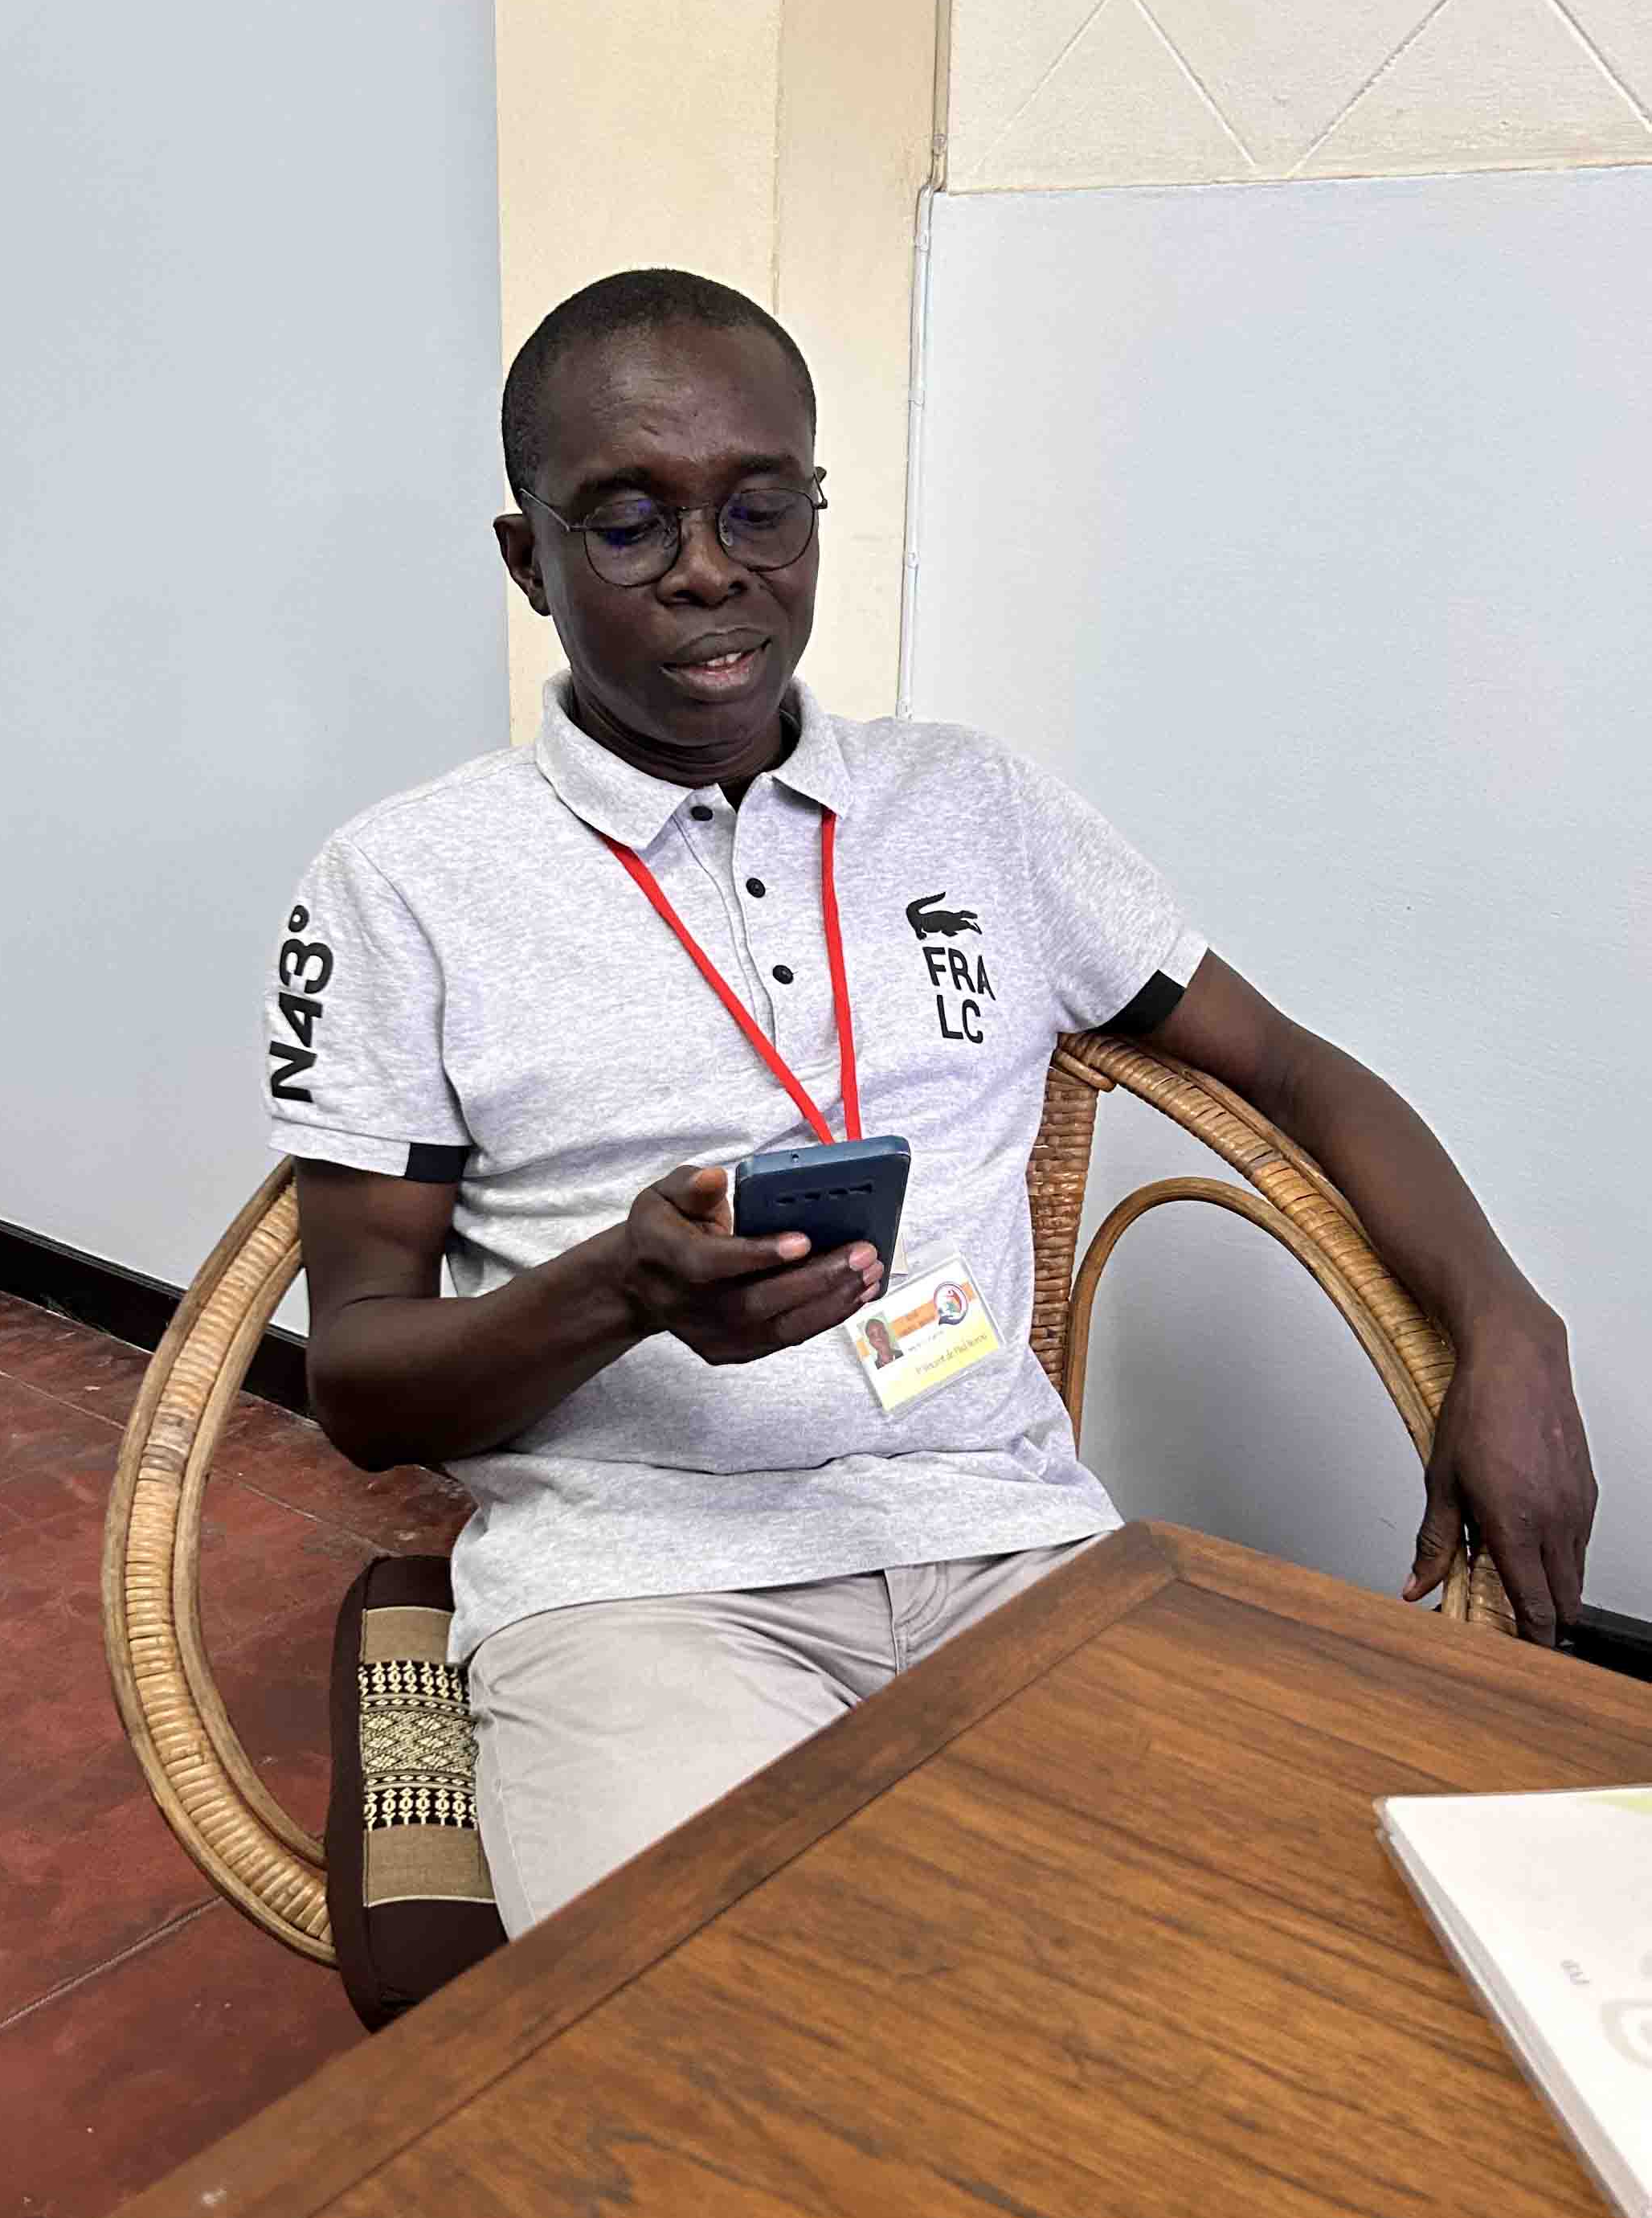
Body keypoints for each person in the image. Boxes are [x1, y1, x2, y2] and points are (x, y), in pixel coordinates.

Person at [268, 268, 1595, 1936]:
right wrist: (620, 1290)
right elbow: (359, 1379)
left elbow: (1289, 1066)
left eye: (761, 507)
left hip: (1011, 1546)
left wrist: (1509, 1325)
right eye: (626, 523)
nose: (709, 568)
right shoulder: (407, 882)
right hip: (640, 1589)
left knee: (1245, 1964)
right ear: (526, 559)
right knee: (736, 2030)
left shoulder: (971, 807)